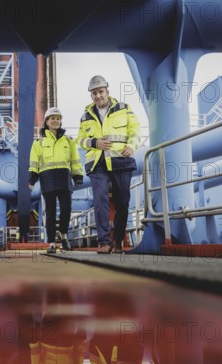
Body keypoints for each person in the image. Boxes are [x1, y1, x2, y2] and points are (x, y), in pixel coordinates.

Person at [76, 75, 140, 254]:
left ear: (107, 92)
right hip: (97, 163)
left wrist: (132, 146)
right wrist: (94, 142)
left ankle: (118, 241)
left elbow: (135, 129)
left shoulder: (124, 109)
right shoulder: (86, 116)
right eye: (94, 93)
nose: (98, 96)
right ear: (91, 95)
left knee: (123, 202)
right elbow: (80, 140)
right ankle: (104, 242)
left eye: (100, 92)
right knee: (100, 201)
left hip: (120, 160)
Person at [29, 106, 84, 253]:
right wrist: (32, 179)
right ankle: (52, 243)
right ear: (47, 121)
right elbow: (34, 162)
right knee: (51, 212)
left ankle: (63, 235)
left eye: (58, 119)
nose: (56, 121)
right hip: (47, 178)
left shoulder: (68, 141)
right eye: (53, 118)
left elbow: (75, 160)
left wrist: (78, 176)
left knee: (66, 209)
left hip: (64, 177)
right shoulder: (38, 143)